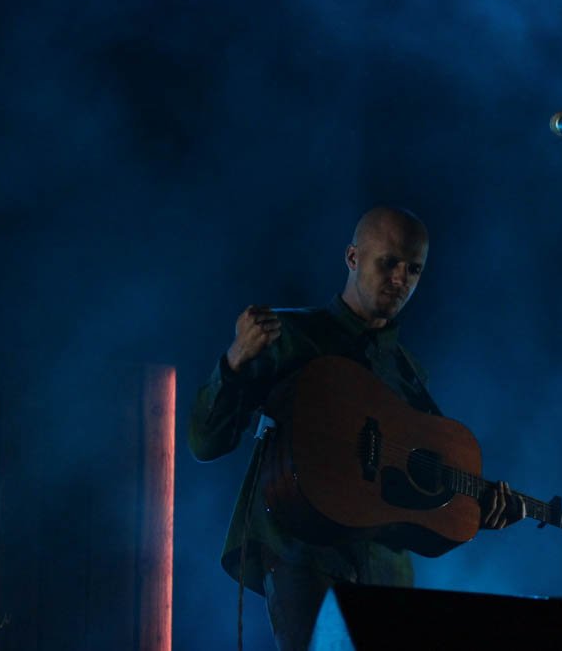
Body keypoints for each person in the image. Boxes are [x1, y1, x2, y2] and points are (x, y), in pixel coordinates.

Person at [188, 207, 526, 650]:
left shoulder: (407, 374)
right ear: (352, 257)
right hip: (304, 555)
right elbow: (206, 441)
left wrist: (476, 507)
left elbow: (418, 496)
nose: (401, 279)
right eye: (389, 262)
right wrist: (234, 360)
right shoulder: (289, 335)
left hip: (385, 573)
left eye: (414, 269)